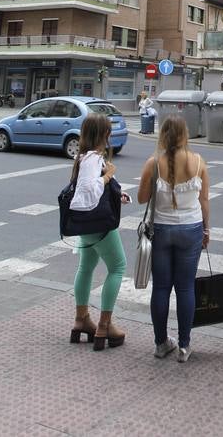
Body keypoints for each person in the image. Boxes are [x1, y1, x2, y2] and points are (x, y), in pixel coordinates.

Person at [137, 115, 210, 362]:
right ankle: (184, 346)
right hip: (191, 229)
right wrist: (207, 230)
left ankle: (161, 344)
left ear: (163, 135)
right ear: (184, 134)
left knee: (161, 288)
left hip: (161, 230)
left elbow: (141, 198)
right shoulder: (198, 161)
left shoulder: (153, 163)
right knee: (186, 287)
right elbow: (204, 200)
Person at [70, 113, 128, 350]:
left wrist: (116, 194)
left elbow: (89, 190)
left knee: (86, 267)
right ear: (103, 134)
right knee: (118, 267)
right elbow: (89, 189)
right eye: (108, 131)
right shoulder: (94, 159)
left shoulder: (83, 157)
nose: (110, 134)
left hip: (86, 223)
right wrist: (108, 176)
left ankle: (81, 320)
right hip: (99, 224)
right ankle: (105, 324)